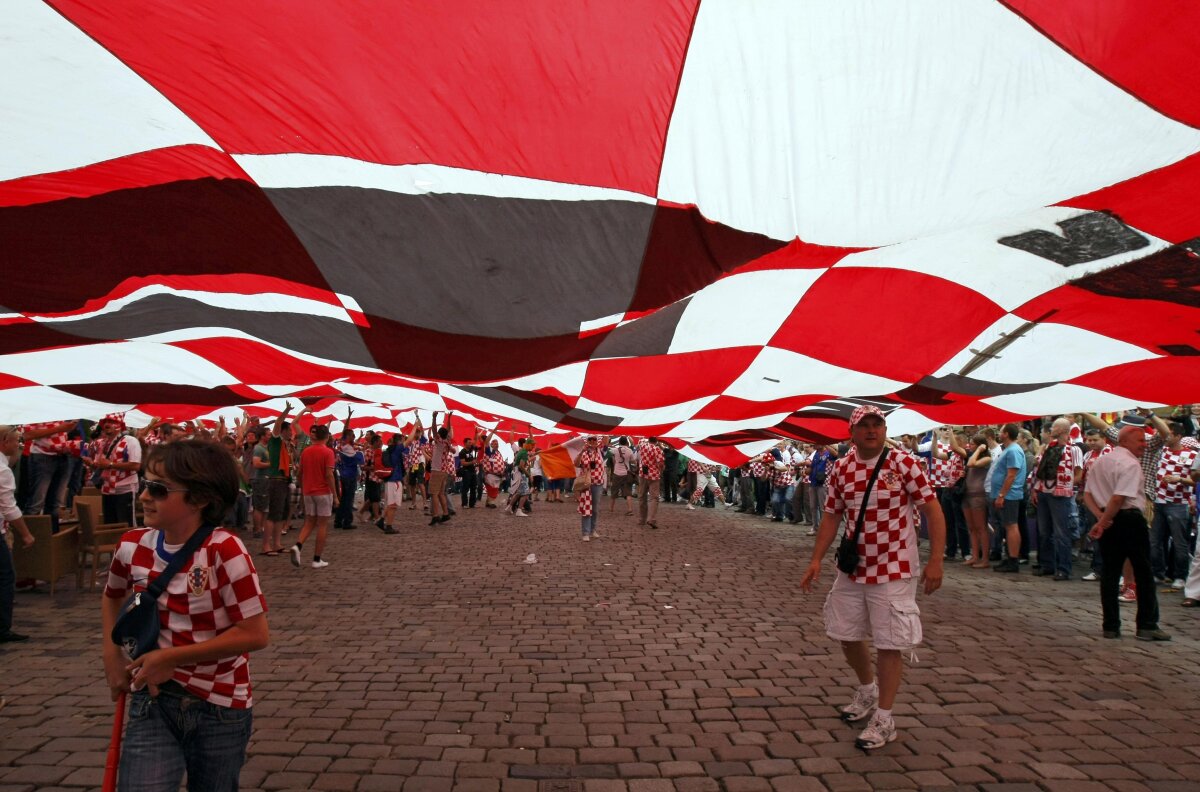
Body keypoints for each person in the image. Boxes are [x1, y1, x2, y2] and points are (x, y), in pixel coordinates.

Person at [101, 439, 270, 789]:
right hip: (154, 698)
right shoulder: (131, 545)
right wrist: (111, 654)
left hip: (220, 705)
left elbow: (254, 633)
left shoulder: (224, 549)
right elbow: (111, 595)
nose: (145, 495)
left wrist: (173, 657)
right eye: (146, 484)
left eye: (158, 489)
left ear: (201, 499)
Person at [800, 405, 945, 751]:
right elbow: (832, 515)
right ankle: (867, 689)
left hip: (894, 565)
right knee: (845, 632)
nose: (871, 430)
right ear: (851, 433)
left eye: (877, 424)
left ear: (884, 429)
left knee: (889, 641)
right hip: (854, 565)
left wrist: (936, 559)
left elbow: (931, 509)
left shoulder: (904, 463)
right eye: (863, 426)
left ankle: (885, 716)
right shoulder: (841, 468)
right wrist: (817, 559)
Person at [1082, 425, 1170, 641]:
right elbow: (1118, 498)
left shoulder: (1102, 460)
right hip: (1127, 519)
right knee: (1143, 571)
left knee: (1110, 573)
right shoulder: (1130, 463)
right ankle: (1147, 625)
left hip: (1109, 518)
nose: (1144, 445)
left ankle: (1111, 625)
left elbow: (1088, 495)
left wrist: (1100, 518)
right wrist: (1103, 521)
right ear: (1125, 441)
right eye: (1140, 440)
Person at [1029, 418, 1083, 580]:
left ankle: (1063, 568)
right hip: (1044, 490)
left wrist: (1065, 486)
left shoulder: (1074, 450)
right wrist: (1036, 489)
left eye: (1053, 427)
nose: (1051, 429)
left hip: (1060, 495)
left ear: (1060, 429)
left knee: (1061, 532)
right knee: (1045, 531)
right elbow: (1039, 470)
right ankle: (1048, 565)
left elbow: (1079, 474)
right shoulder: (1047, 448)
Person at [0, 426, 35, 643]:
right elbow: (9, 508)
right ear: (4, 442)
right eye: (16, 441)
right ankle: (2, 627)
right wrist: (26, 534)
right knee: (5, 578)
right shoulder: (3, 471)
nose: (18, 445)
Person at [290, 424, 338, 569]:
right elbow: (329, 475)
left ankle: (298, 545)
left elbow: (299, 473)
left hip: (308, 492)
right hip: (323, 492)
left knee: (309, 522)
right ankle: (316, 559)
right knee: (322, 525)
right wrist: (335, 495)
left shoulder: (305, 452)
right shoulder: (328, 452)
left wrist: (304, 487)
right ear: (327, 436)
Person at [91, 414, 143, 527]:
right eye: (105, 422)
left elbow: (136, 465)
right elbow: (100, 464)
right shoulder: (102, 443)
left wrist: (110, 464)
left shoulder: (131, 441)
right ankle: (113, 544)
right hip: (106, 489)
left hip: (125, 489)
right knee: (110, 525)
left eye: (111, 421)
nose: (107, 424)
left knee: (126, 524)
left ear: (120, 425)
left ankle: (129, 544)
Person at [990, 424, 1027, 574]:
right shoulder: (1010, 450)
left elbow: (1011, 474)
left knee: (1011, 525)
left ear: (1006, 434)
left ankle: (1013, 559)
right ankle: (1010, 556)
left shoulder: (1013, 450)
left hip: (1010, 495)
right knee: (1008, 525)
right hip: (1007, 494)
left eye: (1001, 431)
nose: (999, 433)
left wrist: (1001, 495)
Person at [574, 436, 607, 541]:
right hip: (587, 483)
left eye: (594, 440)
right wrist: (582, 451)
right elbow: (575, 463)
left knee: (595, 509)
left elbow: (606, 438)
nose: (592, 442)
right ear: (587, 441)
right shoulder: (583, 452)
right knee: (587, 507)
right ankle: (585, 532)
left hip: (598, 482)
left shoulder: (601, 451)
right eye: (590, 440)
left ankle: (593, 530)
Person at [427, 412, 455, 525]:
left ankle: (435, 515)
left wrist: (433, 418)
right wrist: (449, 418)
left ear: (439, 434)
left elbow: (434, 430)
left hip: (437, 470)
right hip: (444, 470)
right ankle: (445, 513)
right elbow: (447, 430)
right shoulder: (447, 442)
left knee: (434, 493)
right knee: (441, 493)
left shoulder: (439, 442)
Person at [636, 437, 665, 529]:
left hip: (643, 473)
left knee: (642, 496)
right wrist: (661, 469)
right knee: (654, 498)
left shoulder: (642, 446)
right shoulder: (658, 450)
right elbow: (661, 463)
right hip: (654, 475)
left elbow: (637, 446)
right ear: (656, 441)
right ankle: (651, 519)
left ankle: (642, 519)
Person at [608, 437, 636, 515]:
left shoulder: (615, 450)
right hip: (626, 473)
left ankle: (611, 509)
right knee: (628, 492)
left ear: (619, 442)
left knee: (614, 492)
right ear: (626, 442)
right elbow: (633, 460)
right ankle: (630, 509)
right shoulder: (629, 450)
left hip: (616, 473)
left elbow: (611, 456)